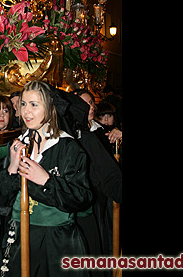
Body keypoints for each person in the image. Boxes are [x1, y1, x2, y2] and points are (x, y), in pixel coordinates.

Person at [0, 80, 91, 277]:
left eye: (34, 104)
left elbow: (82, 199)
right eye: (23, 104)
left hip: (57, 242)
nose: (26, 112)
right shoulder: (18, 145)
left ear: (50, 107)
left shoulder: (67, 147)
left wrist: (46, 180)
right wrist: (12, 168)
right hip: (20, 238)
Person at [72, 88, 122, 274]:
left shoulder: (102, 133)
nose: (89, 107)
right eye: (83, 104)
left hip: (100, 201)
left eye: (91, 102)